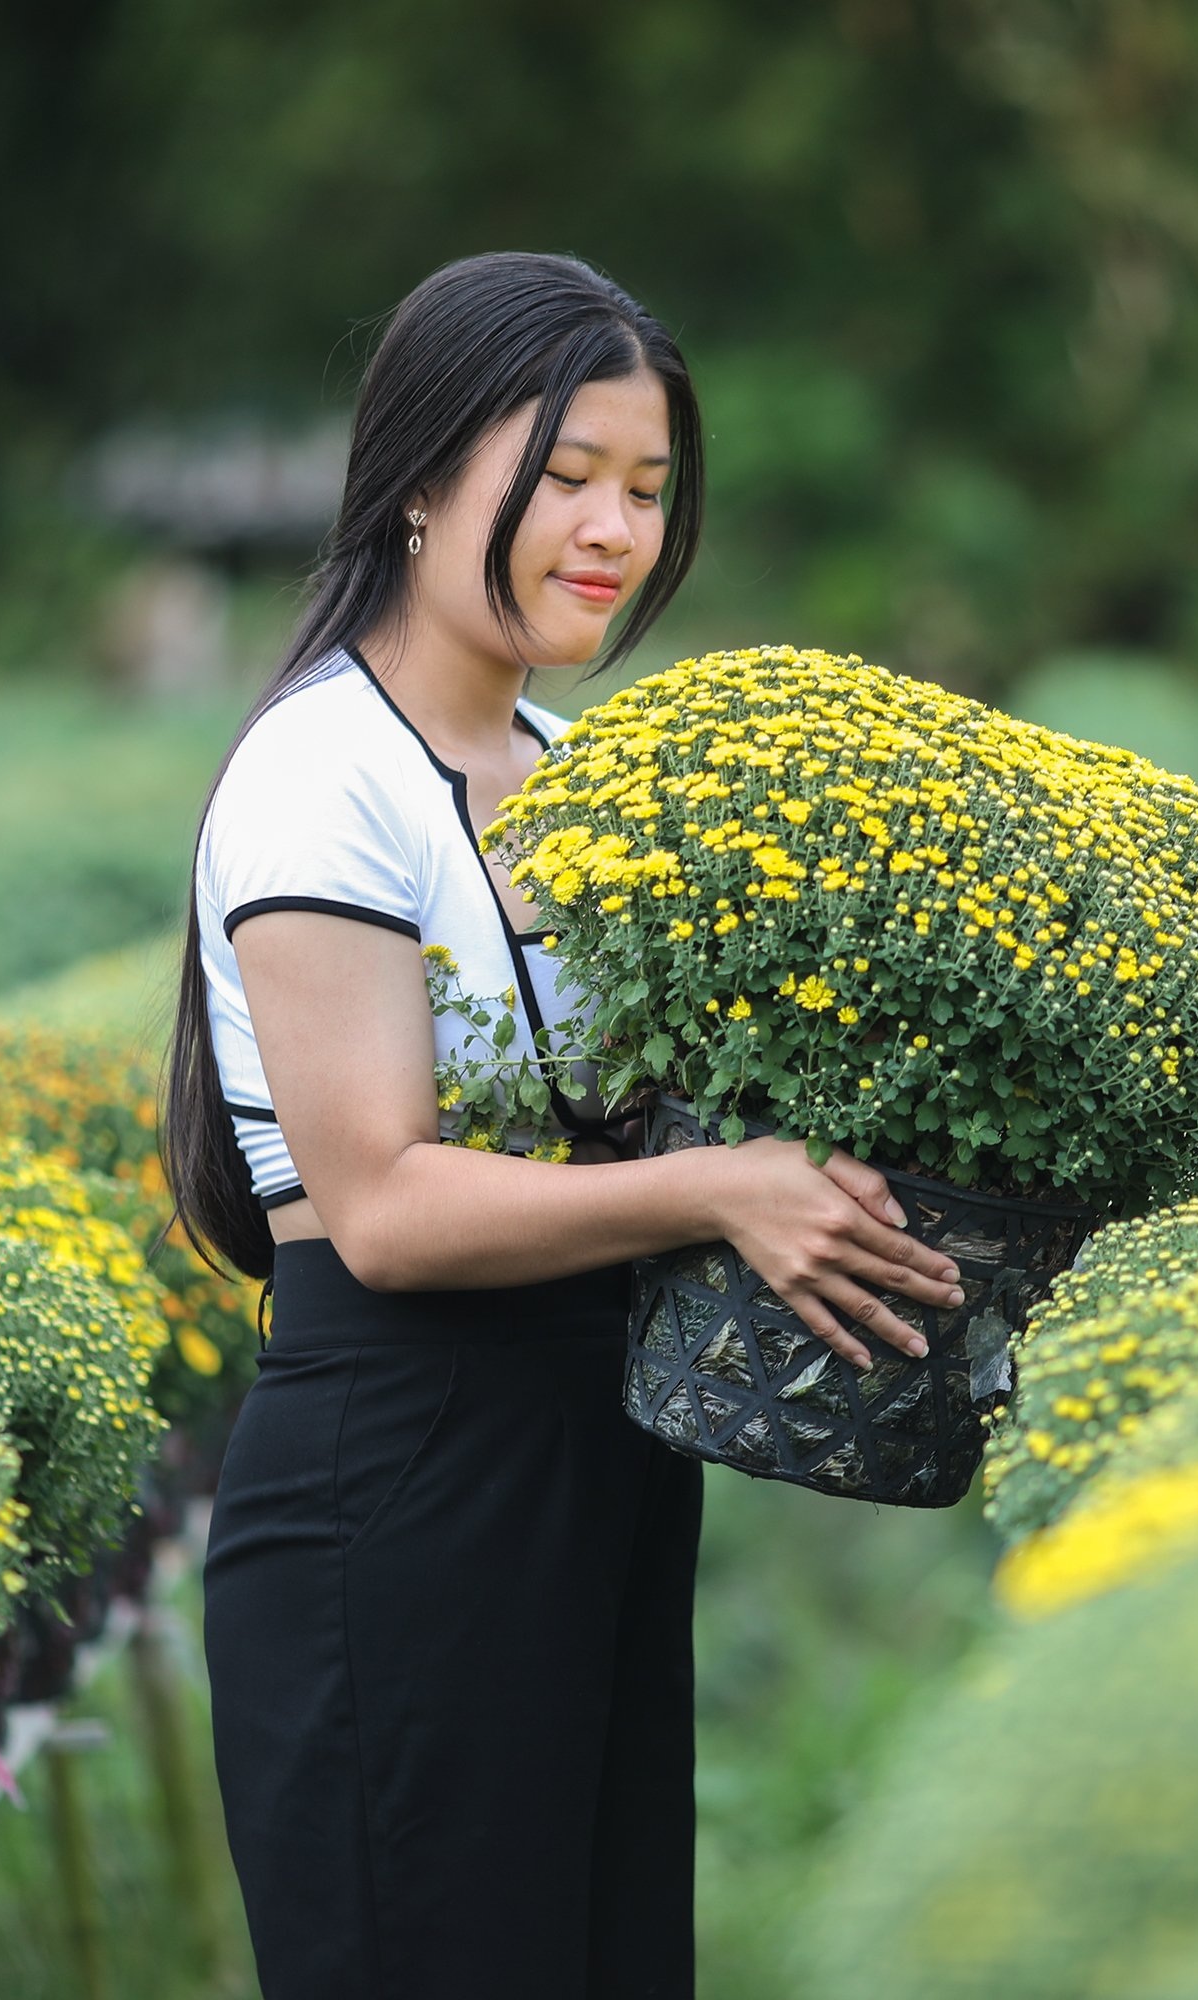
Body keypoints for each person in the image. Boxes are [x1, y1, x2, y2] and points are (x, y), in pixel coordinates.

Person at [163, 251, 966, 2000]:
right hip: (401, 1474)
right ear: (427, 479)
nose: (612, 529)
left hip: (591, 1460)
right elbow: (376, 1205)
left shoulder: (569, 768)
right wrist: (727, 1188)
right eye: (570, 478)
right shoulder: (324, 776)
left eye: (649, 490)